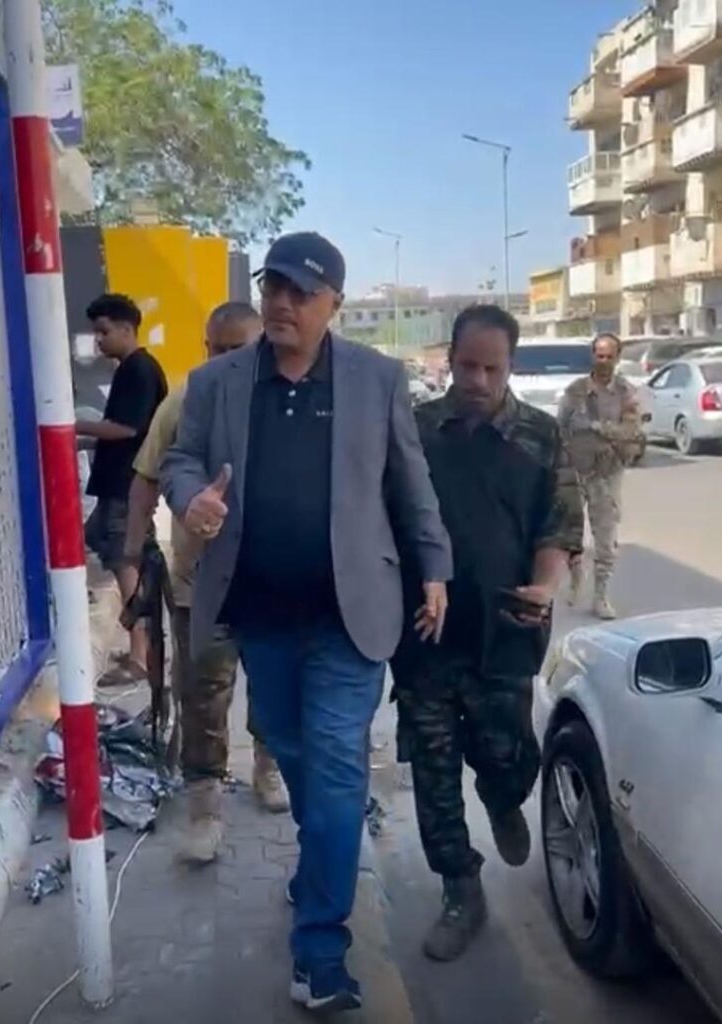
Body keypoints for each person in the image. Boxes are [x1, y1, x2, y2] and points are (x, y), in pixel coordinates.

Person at [161, 232, 451, 1014]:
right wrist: (191, 499)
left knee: (334, 770)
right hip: (260, 613)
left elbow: (409, 481)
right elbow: (182, 459)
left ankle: (320, 949)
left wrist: (433, 567)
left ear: (334, 305)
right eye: (274, 287)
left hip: (348, 618)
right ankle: (320, 859)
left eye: (301, 291)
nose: (282, 302)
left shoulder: (376, 379)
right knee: (290, 749)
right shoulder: (217, 381)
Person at [391, 304, 583, 964]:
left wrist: (544, 586)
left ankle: (503, 799)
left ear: (511, 366)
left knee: (507, 758)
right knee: (434, 774)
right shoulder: (414, 431)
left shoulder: (539, 436)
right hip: (424, 636)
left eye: (491, 369)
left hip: (505, 632)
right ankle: (460, 889)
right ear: (449, 359)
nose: (476, 381)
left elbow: (560, 525)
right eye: (466, 365)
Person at [124, 303, 289, 860]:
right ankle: (204, 807)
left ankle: (268, 768)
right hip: (200, 585)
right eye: (217, 349)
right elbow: (145, 480)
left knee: (272, 685)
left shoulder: (285, 402)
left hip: (271, 583)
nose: (227, 360)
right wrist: (132, 555)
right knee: (201, 696)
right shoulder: (183, 402)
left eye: (239, 349)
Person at [79, 294, 167, 684]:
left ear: (127, 329)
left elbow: (128, 429)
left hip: (127, 486)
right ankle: (144, 647)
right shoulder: (131, 369)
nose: (98, 340)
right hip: (119, 483)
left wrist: (71, 426)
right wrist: (85, 440)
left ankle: (140, 657)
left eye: (104, 332)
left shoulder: (139, 371)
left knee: (127, 561)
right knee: (99, 541)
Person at [558, 332, 644, 620]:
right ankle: (575, 578)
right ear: (592, 355)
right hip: (576, 470)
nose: (603, 361)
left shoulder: (626, 393)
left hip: (607, 473)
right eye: (599, 355)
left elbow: (631, 431)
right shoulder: (576, 391)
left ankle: (601, 595)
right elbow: (561, 427)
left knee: (606, 539)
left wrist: (596, 426)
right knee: (569, 532)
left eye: (609, 356)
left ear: (617, 358)